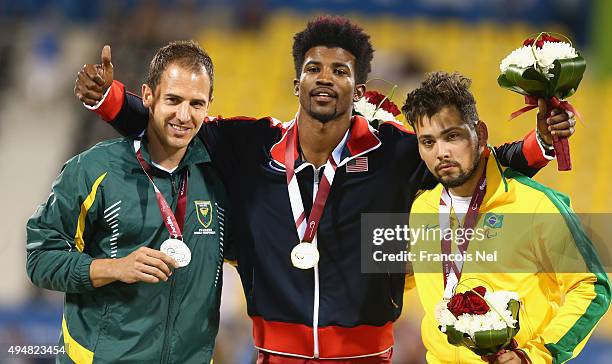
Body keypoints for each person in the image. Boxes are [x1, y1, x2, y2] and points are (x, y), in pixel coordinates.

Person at [74, 16, 575, 363]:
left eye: (341, 71)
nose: (325, 79)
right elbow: (174, 125)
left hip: (369, 356)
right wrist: (110, 100)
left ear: (357, 89)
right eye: (314, 68)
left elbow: (471, 165)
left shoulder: (395, 154)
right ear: (296, 81)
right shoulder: (250, 146)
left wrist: (541, 143)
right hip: (272, 355)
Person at [27, 40, 230, 363]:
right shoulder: (94, 169)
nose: (184, 115)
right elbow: (40, 259)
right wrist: (114, 267)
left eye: (196, 104)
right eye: (173, 100)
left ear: (209, 105)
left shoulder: (219, 182)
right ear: (148, 96)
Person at [402, 71, 610, 364]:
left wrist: (535, 355)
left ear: (481, 133)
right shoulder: (421, 209)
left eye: (452, 136)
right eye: (428, 142)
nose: (442, 152)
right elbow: (401, 277)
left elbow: (592, 288)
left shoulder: (536, 205)